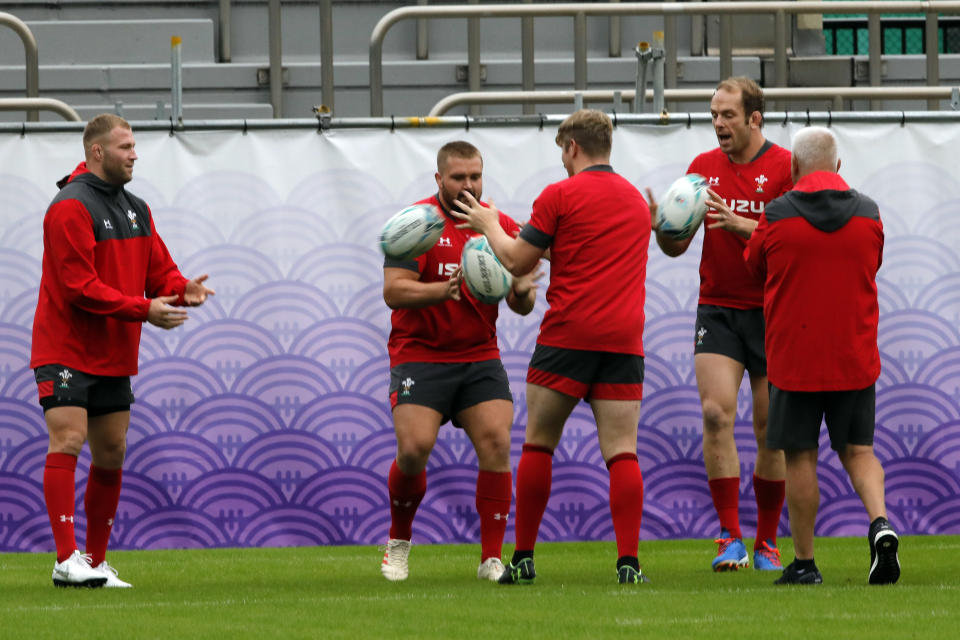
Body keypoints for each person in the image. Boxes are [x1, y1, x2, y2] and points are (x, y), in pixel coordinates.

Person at [453, 109, 651, 585]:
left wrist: (488, 222)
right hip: (625, 340)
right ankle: (628, 563)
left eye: (562, 152)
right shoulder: (636, 201)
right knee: (622, 452)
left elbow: (519, 258)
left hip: (568, 335)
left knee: (539, 443)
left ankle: (523, 558)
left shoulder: (560, 194)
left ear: (572, 148)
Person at [31, 114, 214, 588]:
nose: (135, 154)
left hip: (112, 353)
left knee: (111, 452)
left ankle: (93, 562)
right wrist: (144, 310)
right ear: (97, 152)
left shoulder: (137, 207)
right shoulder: (69, 207)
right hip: (65, 347)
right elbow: (78, 289)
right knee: (68, 440)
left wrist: (181, 288)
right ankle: (65, 558)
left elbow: (160, 271)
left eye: (134, 146)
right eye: (125, 147)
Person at [743, 126, 899, 585]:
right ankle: (880, 523)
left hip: (795, 361)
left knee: (800, 457)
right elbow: (873, 263)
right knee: (859, 451)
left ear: (793, 168)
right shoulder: (869, 213)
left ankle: (806, 563)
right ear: (838, 166)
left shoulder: (777, 214)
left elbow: (754, 265)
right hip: (854, 355)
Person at [650, 77, 793, 572]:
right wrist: (662, 226)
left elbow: (795, 239)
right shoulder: (701, 172)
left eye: (727, 115)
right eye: (714, 115)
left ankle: (768, 543)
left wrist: (743, 225)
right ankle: (729, 536)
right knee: (715, 414)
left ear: (754, 118)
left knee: (770, 426)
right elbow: (675, 247)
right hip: (718, 308)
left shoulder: (784, 167)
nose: (718, 124)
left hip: (773, 310)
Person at [380, 140, 539, 583]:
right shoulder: (416, 224)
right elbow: (394, 290)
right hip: (420, 356)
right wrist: (444, 290)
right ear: (439, 180)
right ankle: (398, 541)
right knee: (413, 450)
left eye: (475, 176)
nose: (468, 185)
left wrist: (522, 291)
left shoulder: (497, 224)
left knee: (496, 442)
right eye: (458, 177)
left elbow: (519, 302)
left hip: (478, 357)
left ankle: (491, 558)